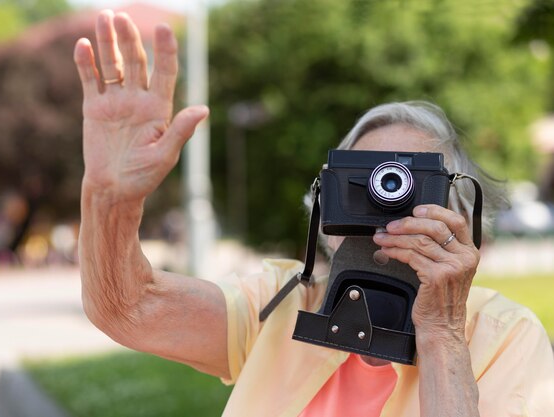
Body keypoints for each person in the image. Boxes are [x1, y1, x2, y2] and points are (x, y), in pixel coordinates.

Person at [74, 10, 554, 417]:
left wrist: (442, 335)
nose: (386, 208)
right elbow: (129, 308)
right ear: (325, 212)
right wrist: (109, 197)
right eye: (363, 184)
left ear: (461, 216)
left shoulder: (504, 336)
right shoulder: (278, 306)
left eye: (412, 186)